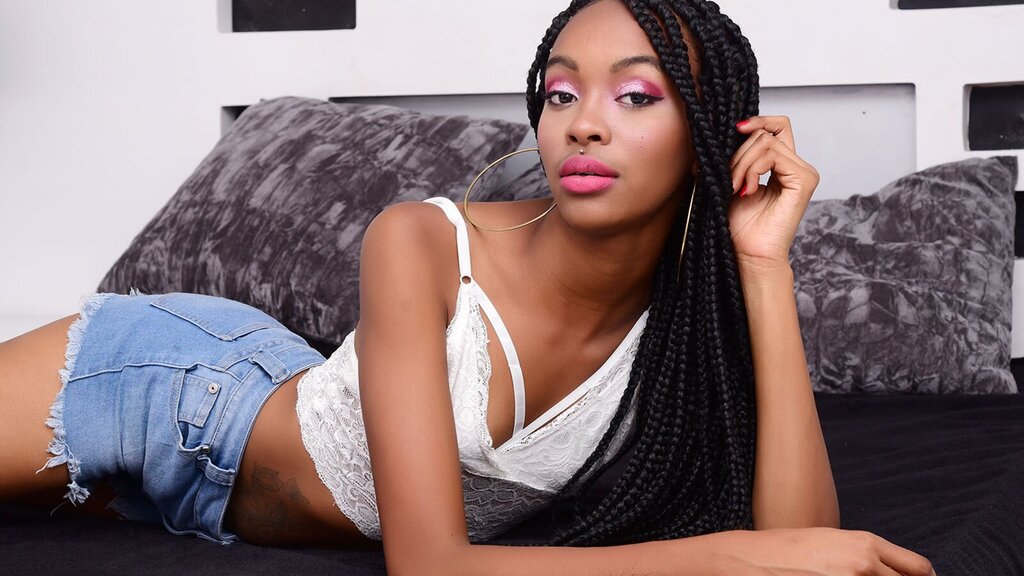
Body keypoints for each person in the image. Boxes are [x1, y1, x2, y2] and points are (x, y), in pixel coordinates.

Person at [0, 0, 936, 574]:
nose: (584, 124)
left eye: (636, 95)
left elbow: (803, 544)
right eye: (561, 93)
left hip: (218, 508)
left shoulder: (688, 323)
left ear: (708, 137)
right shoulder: (418, 242)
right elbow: (431, 565)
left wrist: (762, 264)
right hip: (172, 391)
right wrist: (722, 561)